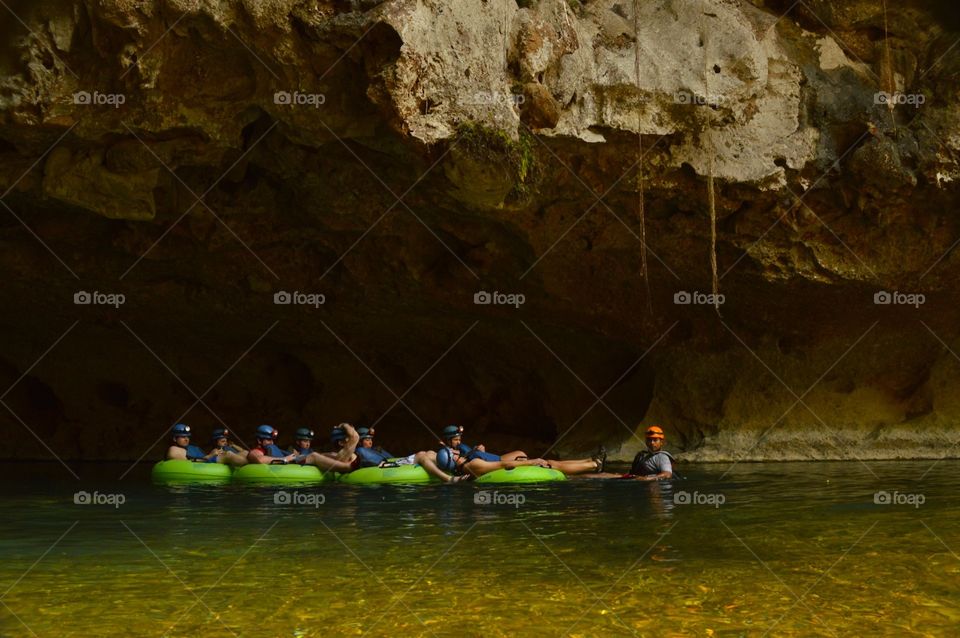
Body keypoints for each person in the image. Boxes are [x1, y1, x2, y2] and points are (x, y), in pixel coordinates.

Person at [580, 426, 676, 481]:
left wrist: (647, 479)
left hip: (644, 481)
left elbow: (667, 474)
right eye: (649, 440)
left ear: (662, 442)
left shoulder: (662, 457)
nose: (652, 443)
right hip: (632, 478)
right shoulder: (642, 455)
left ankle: (573, 478)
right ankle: (574, 477)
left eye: (655, 440)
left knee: (601, 476)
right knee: (603, 474)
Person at [440, 424, 527, 462]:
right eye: (456, 440)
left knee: (520, 453)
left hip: (493, 458)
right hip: (495, 462)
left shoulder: (459, 447)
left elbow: (468, 454)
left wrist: (477, 450)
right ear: (448, 441)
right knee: (520, 455)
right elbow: (457, 455)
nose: (459, 442)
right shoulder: (447, 452)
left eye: (459, 439)